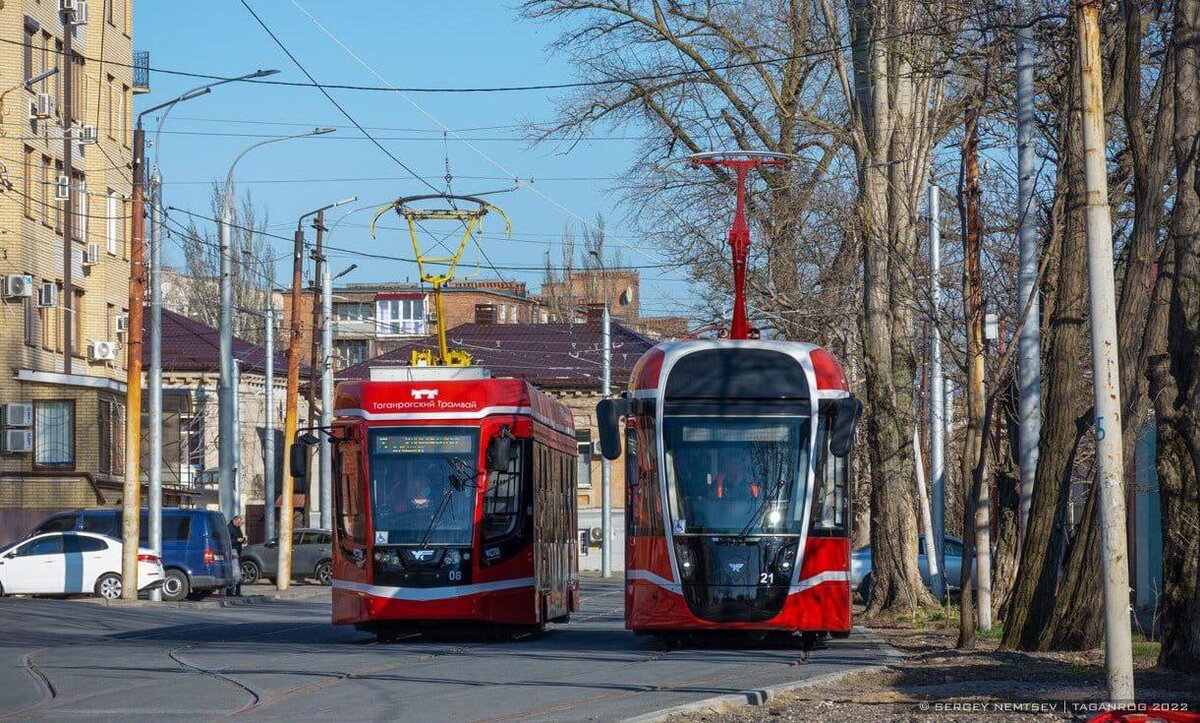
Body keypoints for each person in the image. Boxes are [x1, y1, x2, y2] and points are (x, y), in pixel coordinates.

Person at [227, 514, 246, 597]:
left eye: (240, 523)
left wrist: (243, 540)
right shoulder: (229, 528)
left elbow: (240, 537)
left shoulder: (238, 528)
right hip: (233, 552)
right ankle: (230, 591)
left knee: (239, 572)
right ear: (234, 520)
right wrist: (237, 540)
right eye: (238, 522)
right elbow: (228, 541)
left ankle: (238, 591)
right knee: (234, 572)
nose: (239, 524)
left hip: (238, 551)